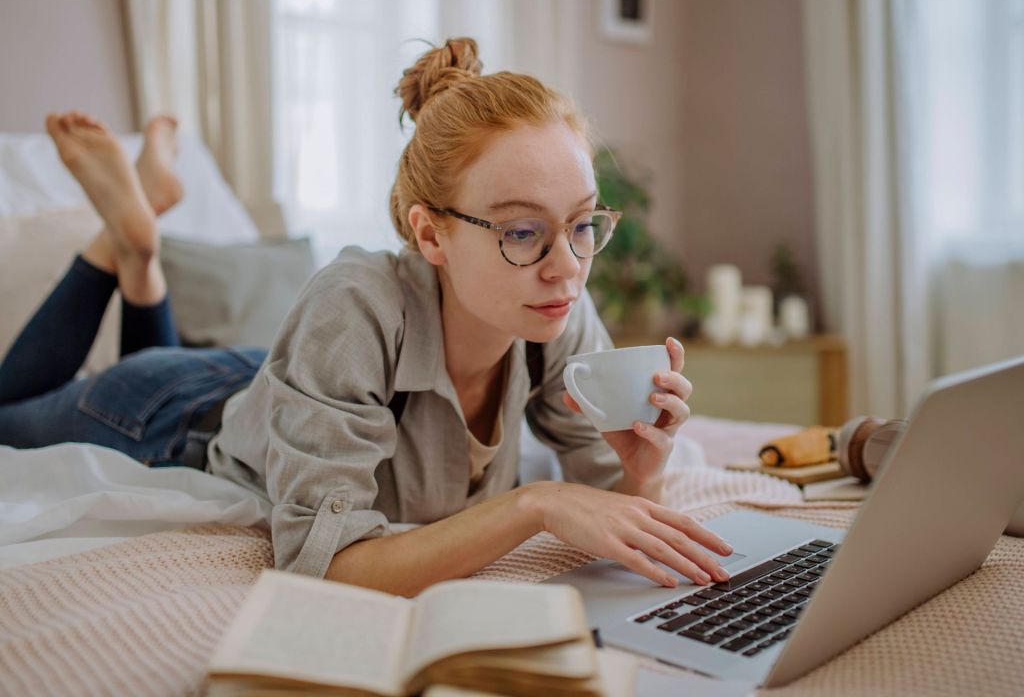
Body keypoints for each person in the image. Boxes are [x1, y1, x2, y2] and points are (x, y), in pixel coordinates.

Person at [0, 38, 732, 597]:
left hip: (290, 387)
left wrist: (647, 467)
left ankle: (140, 245)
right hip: (175, 412)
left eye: (580, 225)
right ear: (430, 234)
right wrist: (533, 504)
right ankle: (121, 241)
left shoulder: (552, 308)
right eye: (520, 232)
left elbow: (615, 514)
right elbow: (331, 564)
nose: (567, 265)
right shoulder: (353, 304)